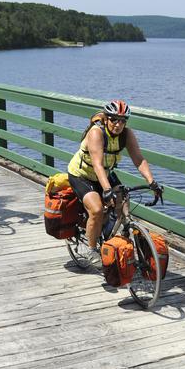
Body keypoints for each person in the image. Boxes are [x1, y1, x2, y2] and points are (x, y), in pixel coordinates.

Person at [67, 99, 162, 266]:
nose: (118, 125)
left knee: (123, 201)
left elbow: (138, 159)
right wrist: (106, 190)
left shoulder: (126, 134)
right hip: (82, 174)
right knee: (96, 209)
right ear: (105, 118)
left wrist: (152, 182)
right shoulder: (96, 132)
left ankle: (108, 235)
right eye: (114, 120)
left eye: (123, 121)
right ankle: (90, 249)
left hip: (105, 172)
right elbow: (97, 164)